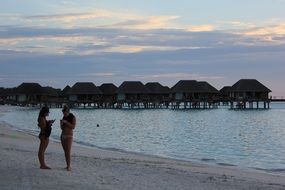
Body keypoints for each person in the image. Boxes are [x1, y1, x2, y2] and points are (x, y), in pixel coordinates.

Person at [60, 105, 76, 171]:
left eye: (65, 113)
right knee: (65, 152)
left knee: (68, 151)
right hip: (63, 135)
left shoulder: (72, 117)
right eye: (63, 113)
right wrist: (61, 124)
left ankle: (69, 166)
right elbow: (62, 128)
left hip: (69, 136)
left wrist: (66, 122)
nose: (64, 114)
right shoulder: (64, 117)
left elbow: (73, 127)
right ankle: (67, 165)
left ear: (68, 111)